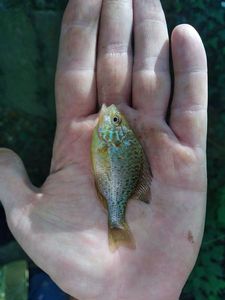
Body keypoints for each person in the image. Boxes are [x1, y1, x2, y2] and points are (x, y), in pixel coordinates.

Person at [0, 0, 207, 299]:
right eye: (113, 118)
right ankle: (116, 219)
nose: (108, 116)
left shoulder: (110, 138)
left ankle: (116, 219)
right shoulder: (112, 137)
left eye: (112, 119)